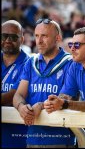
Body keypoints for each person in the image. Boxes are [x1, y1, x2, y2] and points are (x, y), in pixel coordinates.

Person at [12, 18, 75, 147]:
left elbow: (65, 98)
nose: (39, 41)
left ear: (57, 38)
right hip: (32, 139)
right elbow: (19, 95)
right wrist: (21, 107)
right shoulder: (31, 62)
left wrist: (40, 105)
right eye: (36, 36)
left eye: (44, 36)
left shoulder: (70, 63)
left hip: (60, 140)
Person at [1, 20, 30, 148]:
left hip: (17, 137)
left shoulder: (29, 63)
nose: (8, 40)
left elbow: (13, 95)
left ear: (22, 39)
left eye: (13, 37)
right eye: (4, 36)